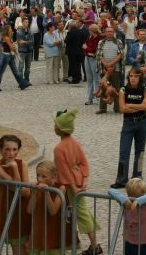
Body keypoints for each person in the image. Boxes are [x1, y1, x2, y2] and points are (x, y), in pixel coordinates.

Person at [53, 109, 100, 255]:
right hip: (79, 181)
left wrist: (73, 188)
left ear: (60, 129)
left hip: (70, 185)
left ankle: (95, 246)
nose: (54, 127)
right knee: (83, 211)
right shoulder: (75, 143)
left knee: (81, 213)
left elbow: (64, 171)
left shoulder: (59, 148)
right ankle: (93, 244)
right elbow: (84, 163)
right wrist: (84, 180)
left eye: (55, 125)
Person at [0, 135, 31, 255]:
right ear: (0, 149)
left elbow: (25, 191)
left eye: (14, 149)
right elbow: (17, 187)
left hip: (22, 210)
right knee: (18, 249)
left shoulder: (22, 164)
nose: (11, 153)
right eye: (7, 149)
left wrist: (13, 168)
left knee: (24, 249)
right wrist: (11, 172)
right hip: (7, 211)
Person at [112, 69, 146, 188]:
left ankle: (137, 177)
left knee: (140, 152)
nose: (133, 78)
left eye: (136, 76)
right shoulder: (123, 90)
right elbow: (122, 108)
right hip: (128, 124)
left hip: (142, 123)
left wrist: (130, 105)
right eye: (131, 76)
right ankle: (121, 180)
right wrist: (139, 106)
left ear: (140, 78)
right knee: (124, 152)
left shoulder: (144, 89)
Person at [28, 160, 72, 255]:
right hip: (40, 228)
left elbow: (53, 210)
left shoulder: (61, 188)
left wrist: (46, 192)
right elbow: (30, 210)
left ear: (53, 177)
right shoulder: (38, 187)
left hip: (54, 230)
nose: (39, 179)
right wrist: (34, 193)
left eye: (43, 176)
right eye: (38, 175)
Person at [108, 178, 146, 255]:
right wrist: (125, 200)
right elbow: (111, 191)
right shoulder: (125, 203)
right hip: (129, 242)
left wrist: (138, 201)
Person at [0, 26, 30, 92]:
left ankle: (23, 84)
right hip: (6, 56)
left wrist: (13, 42)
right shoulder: (6, 37)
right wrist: (14, 44)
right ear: (7, 30)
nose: (11, 30)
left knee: (14, 71)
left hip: (10, 55)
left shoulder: (8, 37)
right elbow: (11, 47)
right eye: (10, 29)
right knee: (1, 72)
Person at [97, 26, 124, 114]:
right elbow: (99, 55)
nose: (109, 33)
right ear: (105, 33)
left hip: (116, 69)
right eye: (108, 31)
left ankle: (117, 108)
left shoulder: (118, 42)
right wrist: (105, 64)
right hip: (104, 70)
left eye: (111, 31)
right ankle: (102, 108)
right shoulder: (101, 42)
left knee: (116, 89)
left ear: (114, 32)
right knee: (103, 88)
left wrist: (111, 64)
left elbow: (121, 54)